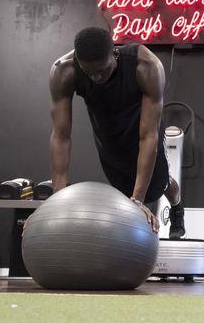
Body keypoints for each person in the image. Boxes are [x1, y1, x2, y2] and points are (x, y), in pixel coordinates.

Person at [48, 26, 185, 238]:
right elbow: (61, 136)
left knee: (161, 185)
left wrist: (138, 200)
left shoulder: (146, 66)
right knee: (123, 194)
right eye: (89, 73)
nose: (96, 78)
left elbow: (148, 136)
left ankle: (177, 207)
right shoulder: (63, 70)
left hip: (144, 127)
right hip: (109, 134)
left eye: (102, 70)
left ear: (114, 52)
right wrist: (56, 200)